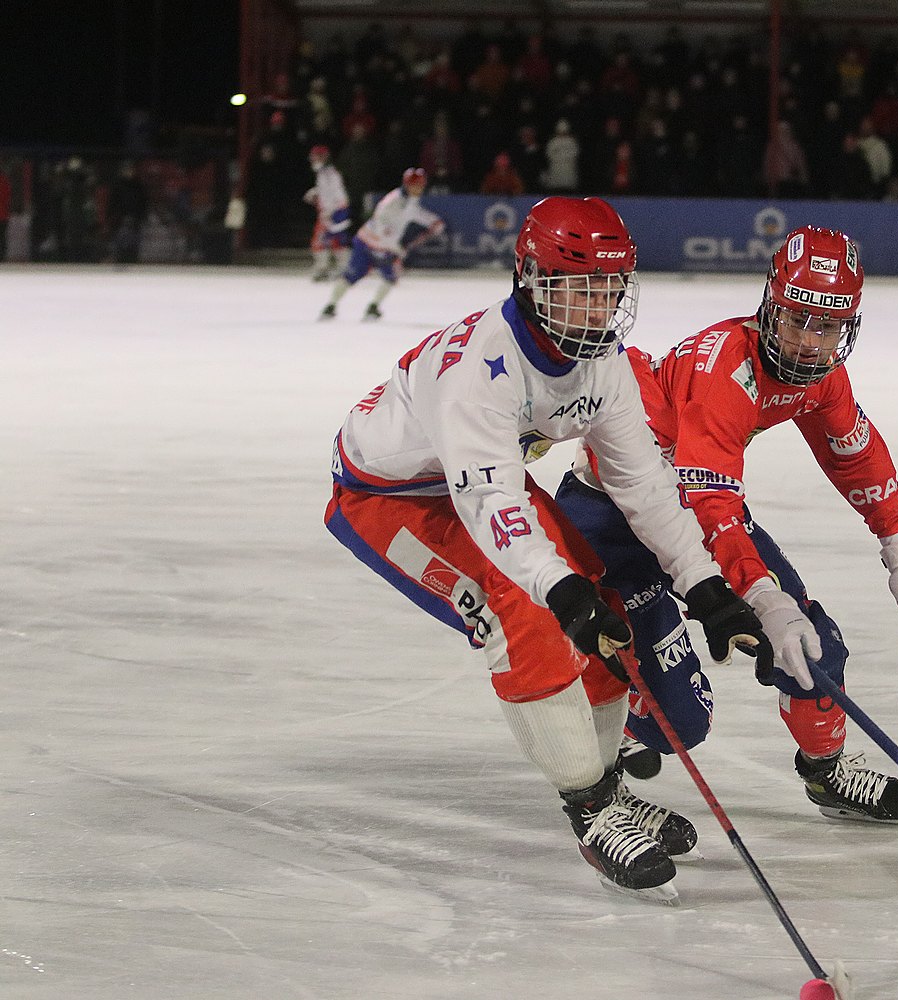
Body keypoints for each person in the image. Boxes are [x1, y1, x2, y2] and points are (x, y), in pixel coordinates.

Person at [323, 196, 789, 903]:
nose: (598, 308)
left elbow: (645, 489)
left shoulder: (604, 362)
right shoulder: (478, 373)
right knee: (529, 613)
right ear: (532, 282)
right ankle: (589, 806)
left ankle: (607, 787)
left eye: (610, 289)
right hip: (392, 498)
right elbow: (493, 508)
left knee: (600, 598)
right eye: (579, 289)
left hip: (478, 480)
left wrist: (705, 586)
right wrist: (558, 591)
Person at [554, 225, 898, 824]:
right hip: (611, 517)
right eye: (797, 319)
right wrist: (764, 597)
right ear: (770, 304)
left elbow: (854, 452)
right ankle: (603, 760)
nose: (809, 343)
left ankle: (826, 774)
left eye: (828, 327)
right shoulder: (725, 374)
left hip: (692, 506)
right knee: (679, 721)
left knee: (817, 647)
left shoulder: (819, 374)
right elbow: (710, 508)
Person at [320, 167, 445, 321]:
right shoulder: (393, 200)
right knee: (352, 275)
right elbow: (382, 225)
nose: (419, 189)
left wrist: (432, 221)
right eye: (415, 185)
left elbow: (412, 213)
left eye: (421, 185)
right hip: (369, 242)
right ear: (407, 184)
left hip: (380, 244)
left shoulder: (410, 199)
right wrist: (395, 247)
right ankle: (330, 306)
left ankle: (373, 307)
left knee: (391, 277)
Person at [304, 145, 352, 281]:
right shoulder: (325, 173)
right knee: (337, 241)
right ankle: (342, 268)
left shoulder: (329, 174)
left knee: (321, 241)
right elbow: (326, 190)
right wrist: (315, 192)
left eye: (315, 157)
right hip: (335, 210)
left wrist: (330, 211)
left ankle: (324, 269)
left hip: (333, 212)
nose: (312, 160)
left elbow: (337, 194)